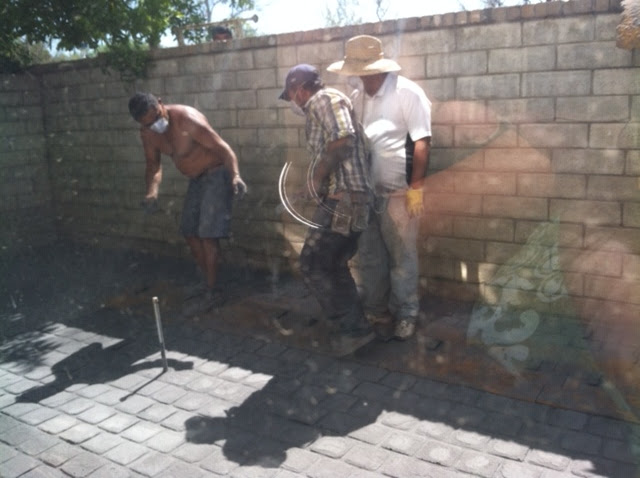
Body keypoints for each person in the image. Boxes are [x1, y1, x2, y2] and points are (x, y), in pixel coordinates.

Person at [327, 35, 432, 340]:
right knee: (370, 255)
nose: (360, 77)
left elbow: (422, 143)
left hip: (398, 194)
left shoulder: (407, 93)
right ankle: (377, 310)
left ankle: (406, 313)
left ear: (377, 68)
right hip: (365, 193)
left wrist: (416, 188)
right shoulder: (357, 98)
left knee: (402, 257)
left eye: (362, 71)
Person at [278, 64, 375, 356]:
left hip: (345, 199)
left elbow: (343, 140)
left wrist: (316, 179)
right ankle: (356, 328)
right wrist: (313, 188)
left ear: (299, 90)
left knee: (313, 263)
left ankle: (353, 330)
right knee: (331, 263)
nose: (292, 101)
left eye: (291, 95)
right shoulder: (324, 105)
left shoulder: (324, 99)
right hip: (347, 198)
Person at [128, 92, 247, 314]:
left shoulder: (187, 119)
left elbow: (223, 149)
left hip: (217, 173)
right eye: (149, 123)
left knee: (208, 235)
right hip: (196, 180)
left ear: (160, 104)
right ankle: (210, 282)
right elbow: (153, 165)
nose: (156, 125)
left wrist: (235, 176)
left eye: (157, 117)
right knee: (189, 232)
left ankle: (213, 291)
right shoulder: (148, 133)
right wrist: (151, 193)